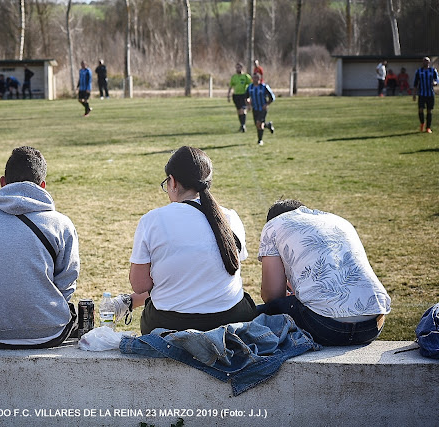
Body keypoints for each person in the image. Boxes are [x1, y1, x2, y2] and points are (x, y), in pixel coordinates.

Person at [122, 146, 257, 335]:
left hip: (168, 324)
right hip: (231, 322)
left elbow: (140, 285)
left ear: (173, 182)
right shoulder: (230, 217)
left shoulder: (152, 220)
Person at [0, 146, 80, 349]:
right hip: (48, 332)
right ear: (43, 185)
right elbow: (67, 282)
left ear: (2, 182)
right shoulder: (61, 223)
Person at [256, 199, 391, 346]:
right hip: (373, 325)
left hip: (326, 327)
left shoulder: (273, 226)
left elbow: (272, 295)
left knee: (262, 312)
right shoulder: (339, 221)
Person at [245, 73, 275, 146]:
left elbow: (272, 97)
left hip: (262, 109)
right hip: (255, 108)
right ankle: (268, 125)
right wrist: (248, 105)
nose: (255, 80)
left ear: (260, 79)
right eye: (254, 78)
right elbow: (246, 97)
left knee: (259, 123)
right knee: (257, 124)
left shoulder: (264, 87)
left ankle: (260, 140)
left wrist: (267, 104)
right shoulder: (250, 87)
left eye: (257, 78)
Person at [413, 56, 438, 134]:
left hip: (430, 94)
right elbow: (415, 83)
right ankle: (422, 123)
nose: (426, 62)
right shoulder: (419, 71)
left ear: (429, 62)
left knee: (429, 111)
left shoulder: (433, 70)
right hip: (422, 94)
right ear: (422, 62)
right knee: (420, 109)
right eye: (424, 61)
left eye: (427, 61)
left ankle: (428, 127)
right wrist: (414, 94)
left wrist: (435, 83)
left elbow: (437, 79)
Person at [227, 62, 252, 132]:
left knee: (243, 110)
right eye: (237, 67)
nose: (238, 69)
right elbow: (230, 86)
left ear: (242, 68)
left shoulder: (246, 76)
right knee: (239, 111)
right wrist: (228, 95)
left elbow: (251, 86)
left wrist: (250, 96)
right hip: (236, 95)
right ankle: (241, 125)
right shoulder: (234, 77)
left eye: (239, 67)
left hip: (243, 95)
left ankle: (243, 125)